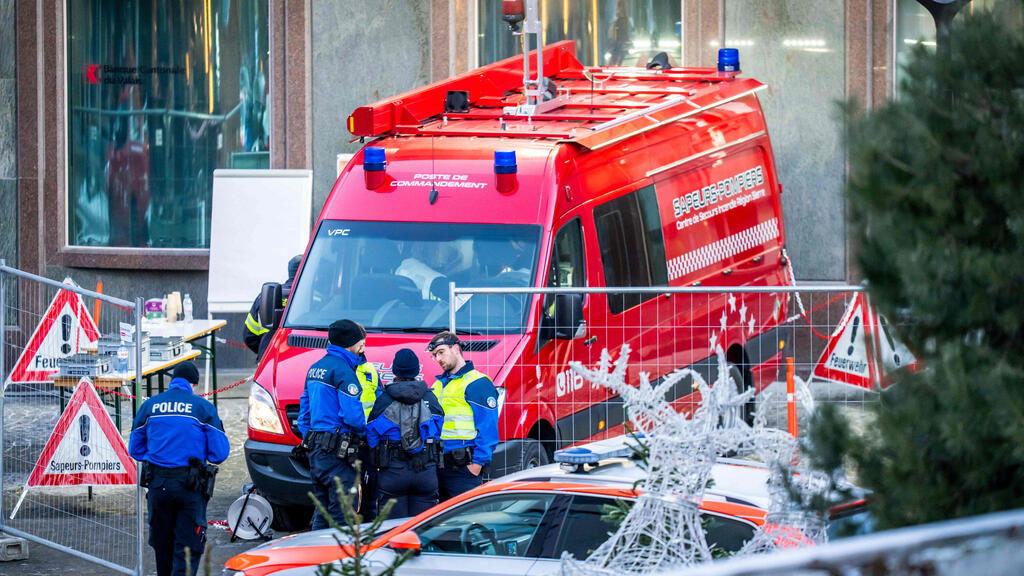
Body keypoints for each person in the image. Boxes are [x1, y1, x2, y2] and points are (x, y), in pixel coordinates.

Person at [129, 361, 229, 576]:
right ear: (194, 384)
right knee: (186, 551)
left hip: (157, 486)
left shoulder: (150, 406)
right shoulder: (203, 408)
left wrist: (159, 455)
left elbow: (135, 450)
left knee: (162, 549)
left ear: (172, 381)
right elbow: (219, 454)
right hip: (190, 486)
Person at [297, 319, 368, 530]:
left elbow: (304, 414)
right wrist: (362, 433)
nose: (363, 346)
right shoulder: (344, 371)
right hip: (338, 451)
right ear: (351, 343)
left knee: (322, 509)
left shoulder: (315, 368)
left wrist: (312, 436)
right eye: (361, 342)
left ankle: (317, 557)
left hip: (316, 450)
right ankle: (338, 560)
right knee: (343, 513)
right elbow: (353, 417)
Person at [366, 348, 444, 517]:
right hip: (425, 470)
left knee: (393, 531)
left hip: (393, 471)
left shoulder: (384, 400)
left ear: (395, 371)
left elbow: (372, 434)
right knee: (422, 529)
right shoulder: (430, 399)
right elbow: (437, 431)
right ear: (417, 371)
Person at [426, 331, 500, 500]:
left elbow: (488, 428)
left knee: (467, 521)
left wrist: (477, 465)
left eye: (441, 352)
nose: (438, 359)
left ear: (456, 349)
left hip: (464, 467)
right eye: (435, 355)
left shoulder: (477, 383)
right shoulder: (438, 385)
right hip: (439, 465)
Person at [244, 254, 302, 359]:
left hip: (267, 360)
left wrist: (265, 350)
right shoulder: (314, 299)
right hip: (298, 359)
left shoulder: (265, 296)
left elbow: (249, 335)